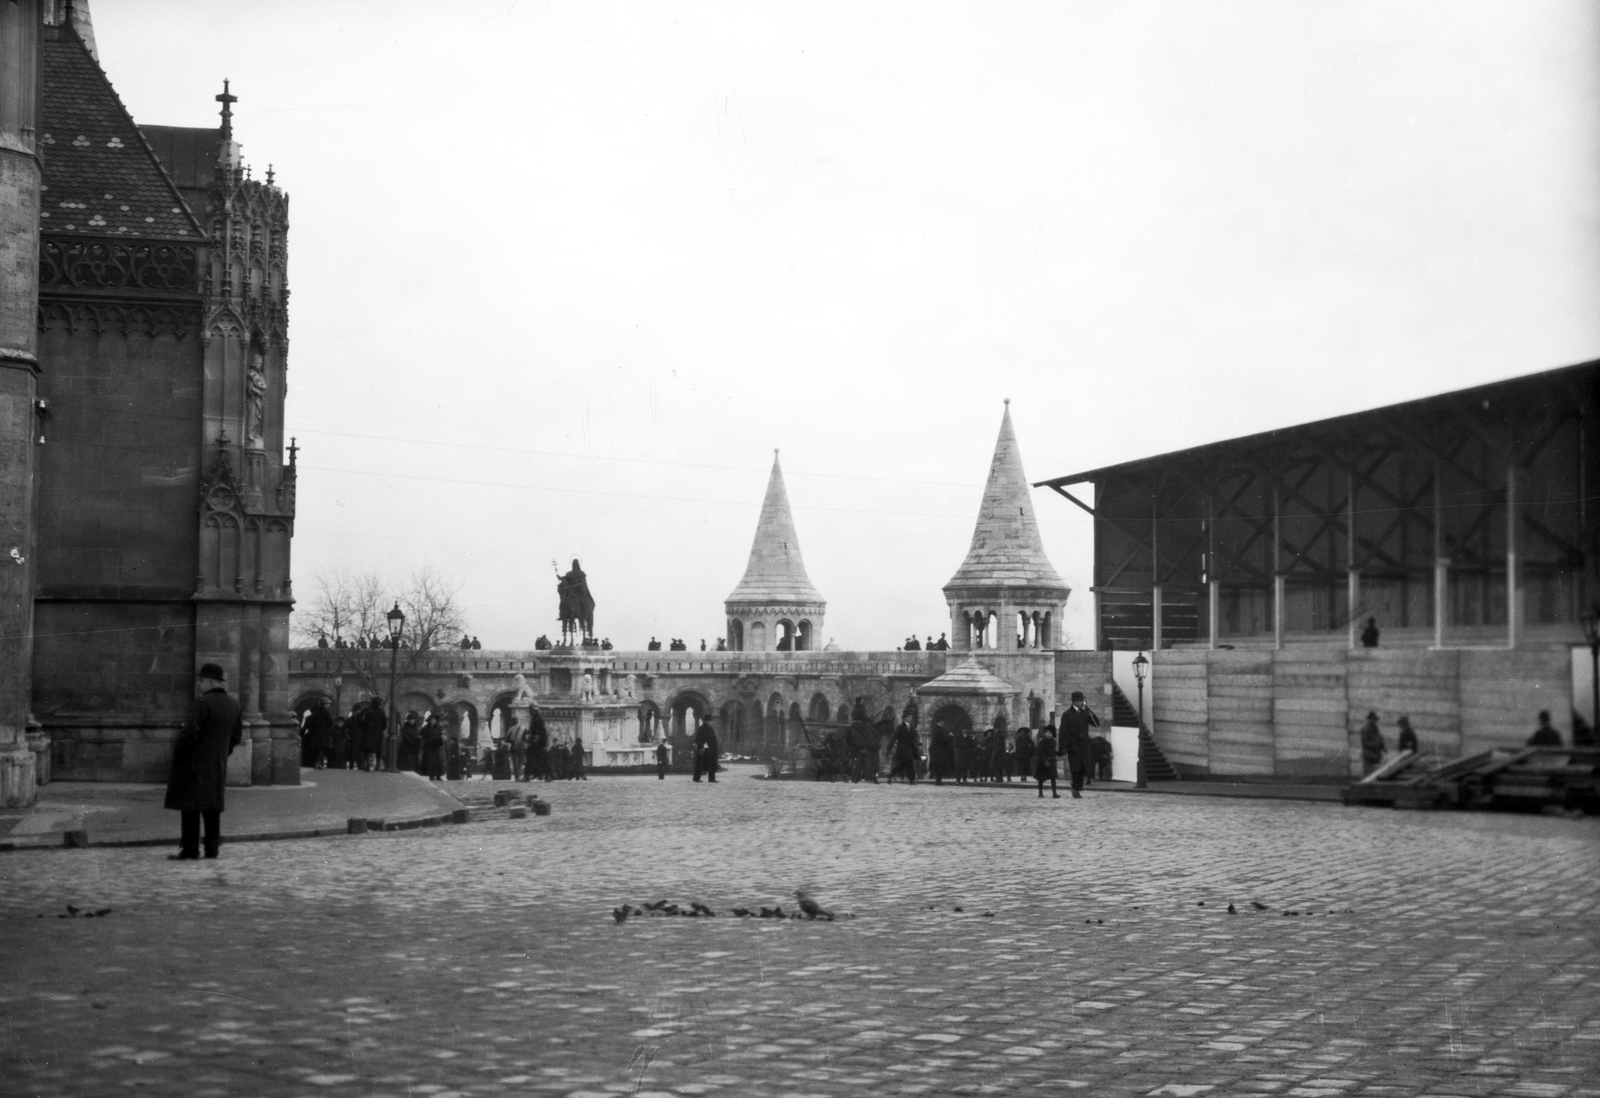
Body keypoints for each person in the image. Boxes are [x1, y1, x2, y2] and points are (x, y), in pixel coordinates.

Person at [164, 663, 244, 860]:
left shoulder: (202, 702)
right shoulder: (234, 704)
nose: (199, 684)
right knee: (212, 807)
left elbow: (190, 732)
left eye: (201, 680)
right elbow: (236, 737)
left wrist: (179, 753)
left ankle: (191, 849)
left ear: (210, 681)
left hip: (194, 763)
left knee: (190, 807)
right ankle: (212, 849)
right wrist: (222, 753)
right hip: (217, 764)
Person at [1059, 692, 1099, 797]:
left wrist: (1090, 711)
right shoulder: (1067, 714)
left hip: (1084, 745)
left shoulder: (1085, 713)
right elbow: (1062, 732)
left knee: (1082, 767)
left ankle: (1077, 787)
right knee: (1075, 767)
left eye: (1082, 701)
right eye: (1080, 701)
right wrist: (1062, 747)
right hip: (1073, 745)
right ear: (1075, 701)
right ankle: (1075, 788)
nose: (1082, 702)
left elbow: (1096, 723)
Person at [303, 699, 332, 770]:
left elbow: (311, 723)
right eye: (328, 703)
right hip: (323, 734)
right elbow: (331, 723)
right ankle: (318, 764)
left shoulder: (316, 712)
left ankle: (317, 763)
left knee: (317, 749)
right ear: (324, 704)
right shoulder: (325, 712)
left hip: (315, 734)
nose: (329, 705)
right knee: (321, 749)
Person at [524, 705, 550, 782]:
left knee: (536, 759)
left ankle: (546, 775)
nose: (530, 712)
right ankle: (528, 775)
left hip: (538, 742)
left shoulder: (538, 719)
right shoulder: (535, 718)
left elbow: (542, 731)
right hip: (537, 742)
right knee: (538, 759)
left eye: (531, 710)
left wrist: (539, 741)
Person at [1034, 723, 1060, 799]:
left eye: (1050, 733)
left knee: (1053, 778)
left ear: (1052, 734)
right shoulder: (1042, 742)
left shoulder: (1053, 742)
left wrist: (1057, 755)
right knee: (1041, 778)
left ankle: (1054, 793)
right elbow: (1040, 753)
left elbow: (1053, 752)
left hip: (1051, 762)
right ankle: (1040, 792)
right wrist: (1045, 760)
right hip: (1043, 762)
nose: (1048, 734)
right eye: (1047, 733)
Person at [693, 716, 720, 783]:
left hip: (711, 750)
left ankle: (712, 778)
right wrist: (702, 747)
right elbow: (699, 739)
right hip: (704, 750)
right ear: (707, 721)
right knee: (700, 764)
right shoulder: (702, 728)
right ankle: (696, 778)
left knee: (711, 765)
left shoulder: (711, 729)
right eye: (710, 721)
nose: (712, 723)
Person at [928, 719, 954, 785]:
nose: (944, 722)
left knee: (938, 766)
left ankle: (938, 780)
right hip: (940, 751)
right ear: (940, 721)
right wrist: (950, 736)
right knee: (940, 766)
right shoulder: (939, 729)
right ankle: (938, 781)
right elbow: (944, 739)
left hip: (936, 750)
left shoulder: (936, 729)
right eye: (943, 721)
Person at [421, 715, 446, 780]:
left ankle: (438, 776)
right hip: (429, 747)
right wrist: (430, 742)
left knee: (437, 762)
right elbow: (423, 737)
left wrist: (439, 741)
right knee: (430, 762)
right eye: (431, 720)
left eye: (434, 720)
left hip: (436, 747)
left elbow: (441, 736)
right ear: (429, 721)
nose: (432, 721)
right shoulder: (425, 728)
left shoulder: (438, 728)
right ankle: (431, 776)